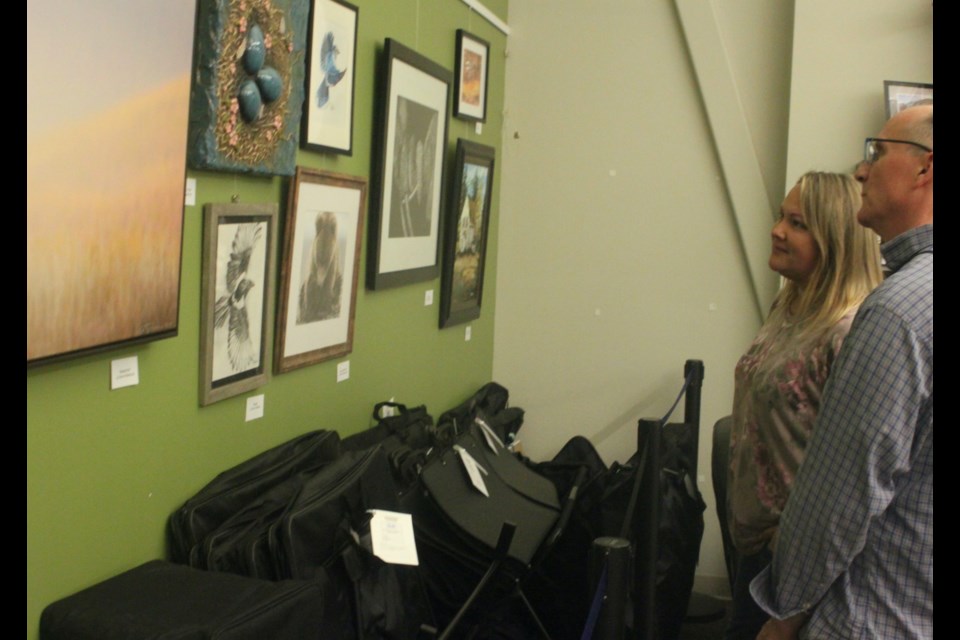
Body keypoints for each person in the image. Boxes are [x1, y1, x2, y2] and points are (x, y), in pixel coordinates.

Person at [751, 103, 933, 639]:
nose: (860, 170)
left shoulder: (897, 311)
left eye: (877, 152)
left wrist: (783, 614)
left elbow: (844, 492)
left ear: (925, 169)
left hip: (870, 613)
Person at [724, 171, 882, 640]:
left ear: (834, 239)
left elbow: (855, 470)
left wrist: (794, 603)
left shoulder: (849, 329)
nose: (777, 230)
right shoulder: (790, 305)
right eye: (780, 217)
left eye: (796, 223)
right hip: (756, 548)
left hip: (798, 563)